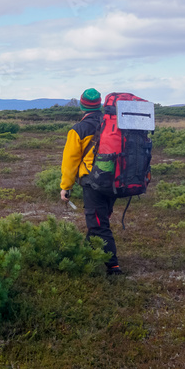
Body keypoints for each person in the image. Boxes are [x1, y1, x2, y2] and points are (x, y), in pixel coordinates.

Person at [59, 88, 121, 275]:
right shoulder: (112, 123)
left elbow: (70, 161)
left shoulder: (78, 129)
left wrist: (65, 187)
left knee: (99, 225)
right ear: (99, 104)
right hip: (113, 180)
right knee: (98, 220)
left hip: (93, 183)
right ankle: (85, 255)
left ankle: (113, 267)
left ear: (82, 105)